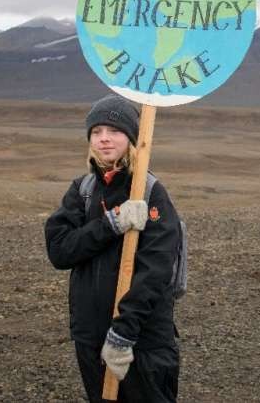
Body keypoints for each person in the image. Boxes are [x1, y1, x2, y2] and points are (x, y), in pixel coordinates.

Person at [45, 94, 181, 402]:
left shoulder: (150, 192)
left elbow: (156, 271)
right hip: (91, 338)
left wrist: (123, 333)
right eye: (96, 131)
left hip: (142, 342)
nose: (104, 138)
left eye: (114, 131)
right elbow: (60, 251)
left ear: (132, 137)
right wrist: (111, 224)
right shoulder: (83, 191)